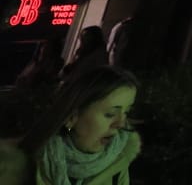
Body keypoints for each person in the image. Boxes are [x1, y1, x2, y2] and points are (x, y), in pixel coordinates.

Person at [0, 65, 141, 185]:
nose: (121, 123)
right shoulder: (14, 168)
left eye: (127, 112)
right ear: (72, 117)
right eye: (110, 114)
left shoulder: (118, 163)